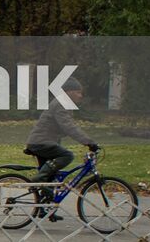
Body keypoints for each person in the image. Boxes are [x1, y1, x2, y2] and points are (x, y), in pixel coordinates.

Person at [24, 77, 99, 218]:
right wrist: (88, 142)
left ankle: (44, 210)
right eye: (78, 92)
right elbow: (69, 127)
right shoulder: (60, 104)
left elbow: (68, 126)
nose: (81, 95)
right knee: (67, 156)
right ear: (68, 92)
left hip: (46, 142)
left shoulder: (64, 104)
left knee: (51, 179)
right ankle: (37, 179)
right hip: (41, 143)